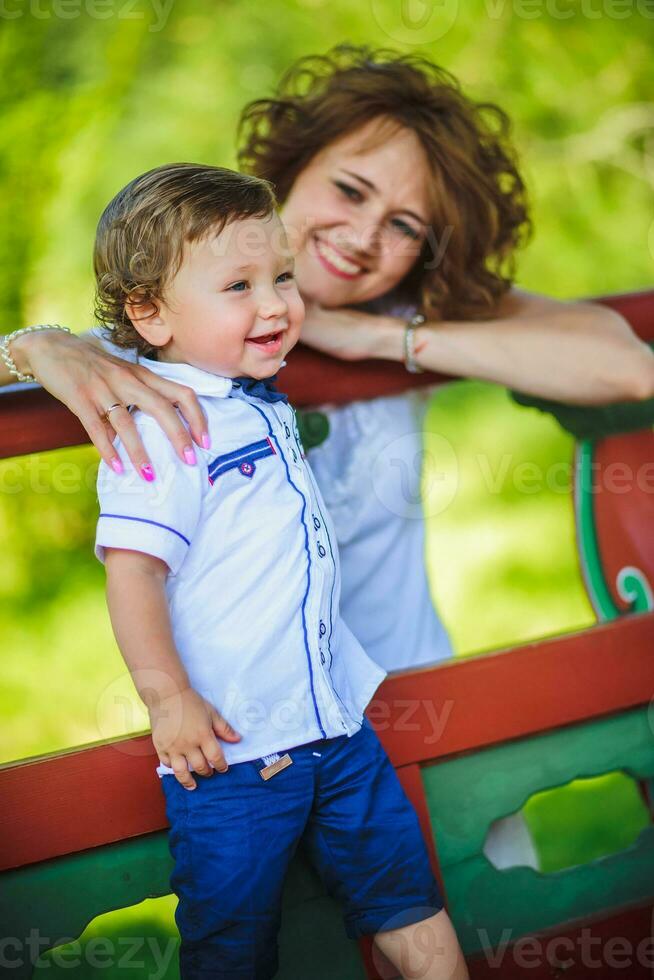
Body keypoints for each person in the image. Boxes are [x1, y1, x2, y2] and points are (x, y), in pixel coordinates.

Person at [2, 46, 653, 871]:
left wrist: (382, 339)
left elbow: (627, 364)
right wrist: (35, 346)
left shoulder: (408, 317)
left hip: (423, 710)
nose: (362, 236)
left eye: (404, 226)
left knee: (472, 917)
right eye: (349, 190)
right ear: (291, 169)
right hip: (254, 741)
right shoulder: (187, 338)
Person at [89, 161, 470, 980]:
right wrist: (169, 698)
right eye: (240, 286)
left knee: (410, 897)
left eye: (283, 278)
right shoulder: (161, 423)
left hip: (337, 727)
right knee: (232, 947)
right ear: (150, 313)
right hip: (233, 751)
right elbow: (133, 573)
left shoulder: (254, 393)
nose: (276, 304)